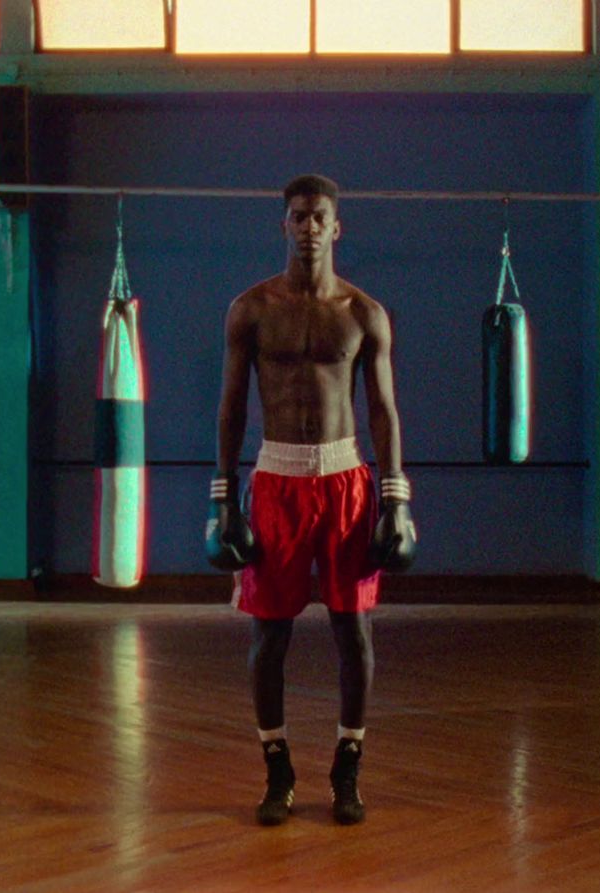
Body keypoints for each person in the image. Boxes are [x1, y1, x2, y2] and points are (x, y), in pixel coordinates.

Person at [206, 173, 417, 827]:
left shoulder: (363, 313)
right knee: (270, 636)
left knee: (352, 629)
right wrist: (224, 498)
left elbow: (383, 410)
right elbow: (233, 404)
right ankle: (278, 770)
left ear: (336, 226)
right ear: (284, 225)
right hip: (275, 480)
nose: (308, 226)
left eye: (319, 216)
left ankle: (347, 767)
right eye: (297, 216)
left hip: (346, 481)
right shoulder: (252, 309)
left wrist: (395, 497)